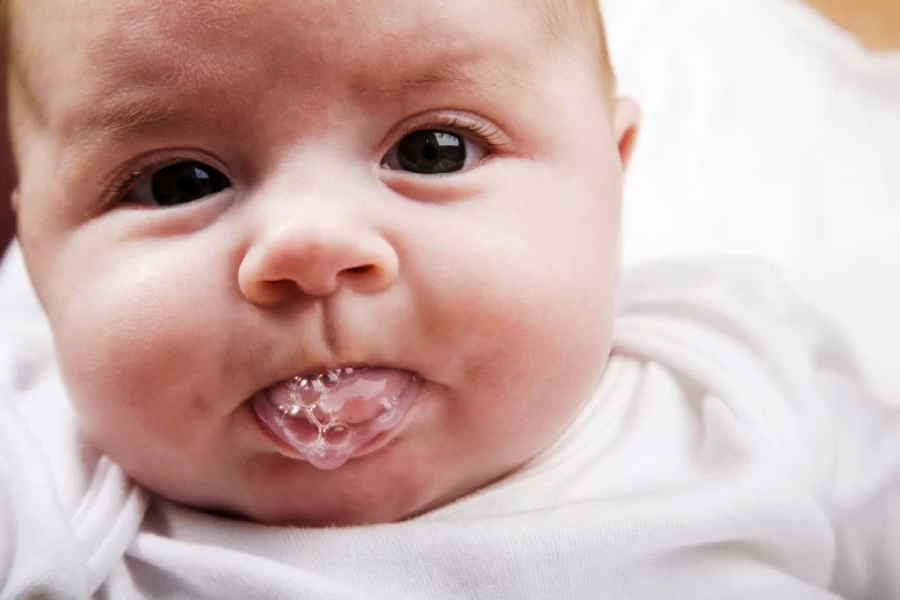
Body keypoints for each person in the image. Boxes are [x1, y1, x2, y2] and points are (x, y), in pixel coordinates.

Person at [0, 0, 897, 597]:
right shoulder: (46, 478)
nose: (311, 251)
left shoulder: (729, 362)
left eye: (435, 150)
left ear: (611, 183)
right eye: (175, 182)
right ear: (32, 254)